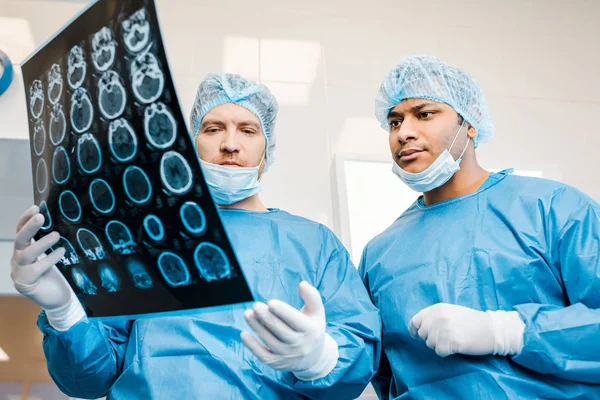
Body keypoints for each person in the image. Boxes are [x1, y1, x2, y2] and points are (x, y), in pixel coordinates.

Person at [11, 73, 381, 399]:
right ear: (189, 146)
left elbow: (357, 356)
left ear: (266, 153)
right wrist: (64, 312)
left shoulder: (314, 243)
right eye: (213, 128)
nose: (230, 144)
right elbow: (90, 380)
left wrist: (320, 358)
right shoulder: (143, 237)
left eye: (248, 130)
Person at [359, 55, 600, 399]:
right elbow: (386, 377)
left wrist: (506, 331)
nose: (404, 133)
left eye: (424, 114)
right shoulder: (380, 254)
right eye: (394, 122)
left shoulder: (552, 208)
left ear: (469, 123)